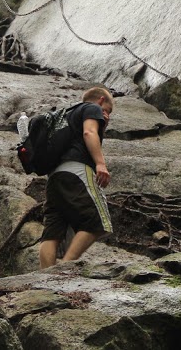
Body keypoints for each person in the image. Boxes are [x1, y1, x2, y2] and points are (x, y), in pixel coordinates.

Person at [38, 86, 115, 268]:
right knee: (97, 222)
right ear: (101, 100)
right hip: (77, 172)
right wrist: (100, 164)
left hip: (55, 177)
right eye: (107, 111)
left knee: (52, 231)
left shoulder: (66, 116)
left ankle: (44, 278)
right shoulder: (92, 108)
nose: (106, 116)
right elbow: (89, 132)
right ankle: (65, 267)